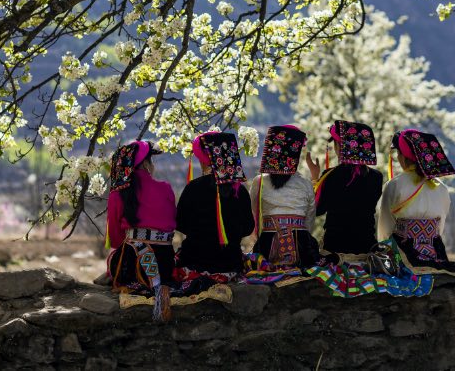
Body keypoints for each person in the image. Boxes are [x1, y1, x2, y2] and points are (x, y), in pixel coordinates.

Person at [378, 129, 455, 272]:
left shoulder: (394, 185)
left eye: (398, 154)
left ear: (403, 156)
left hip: (403, 257)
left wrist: (383, 250)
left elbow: (385, 227)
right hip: (436, 254)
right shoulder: (442, 188)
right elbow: (439, 228)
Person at [105, 140, 176, 319]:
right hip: (166, 265)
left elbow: (114, 239)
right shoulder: (166, 189)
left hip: (132, 265)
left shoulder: (117, 194)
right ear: (146, 163)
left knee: (116, 260)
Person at [176, 131, 254, 275]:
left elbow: (180, 223)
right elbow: (248, 227)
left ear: (206, 159)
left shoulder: (193, 187)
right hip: (230, 264)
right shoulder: (240, 190)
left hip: (194, 263)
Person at [305, 120, 383, 254]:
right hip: (366, 248)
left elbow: (317, 210)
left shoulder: (330, 176)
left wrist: (315, 178)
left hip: (335, 249)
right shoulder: (376, 177)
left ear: (340, 147)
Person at [250, 125, 320, 268]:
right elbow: (309, 222)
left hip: (267, 246)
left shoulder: (260, 181)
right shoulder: (306, 184)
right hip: (301, 248)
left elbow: (254, 213)